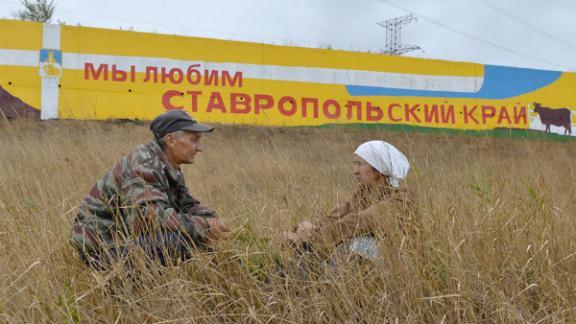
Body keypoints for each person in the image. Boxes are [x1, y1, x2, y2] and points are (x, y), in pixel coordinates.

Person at [70, 110, 227, 268]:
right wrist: (204, 226)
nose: (200, 148)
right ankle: (125, 288)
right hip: (102, 250)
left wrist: (211, 220)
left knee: (193, 235)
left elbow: (186, 204)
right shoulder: (143, 164)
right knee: (175, 240)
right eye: (194, 140)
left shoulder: (169, 164)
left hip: (123, 243)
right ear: (171, 140)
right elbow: (149, 219)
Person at [281, 140, 416, 262]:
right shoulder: (364, 192)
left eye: (360, 164)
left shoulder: (401, 198)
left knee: (361, 245)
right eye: (355, 164)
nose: (355, 171)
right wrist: (308, 227)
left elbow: (359, 221)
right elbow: (338, 215)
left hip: (399, 263)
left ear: (379, 169)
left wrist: (314, 238)